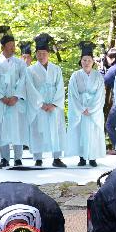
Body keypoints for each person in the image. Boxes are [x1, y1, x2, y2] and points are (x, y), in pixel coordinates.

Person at [0, 31, 33, 167]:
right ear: (3, 47)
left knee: (18, 129)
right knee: (2, 130)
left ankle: (18, 158)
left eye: (14, 45)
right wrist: (2, 97)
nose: (13, 48)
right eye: (10, 45)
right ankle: (4, 158)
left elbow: (24, 80)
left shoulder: (20, 63)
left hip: (15, 101)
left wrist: (16, 96)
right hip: (1, 102)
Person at [27, 33, 67, 168]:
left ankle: (57, 158)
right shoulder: (30, 70)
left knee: (56, 129)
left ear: (48, 54)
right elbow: (30, 89)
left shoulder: (56, 69)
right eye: (39, 53)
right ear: (36, 54)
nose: (41, 56)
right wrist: (41, 104)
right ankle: (38, 157)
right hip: (40, 105)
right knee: (38, 130)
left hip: (54, 104)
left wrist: (55, 103)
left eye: (44, 53)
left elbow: (60, 87)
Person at [66, 42, 106, 167]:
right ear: (81, 61)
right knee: (80, 132)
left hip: (93, 110)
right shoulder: (75, 75)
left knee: (93, 133)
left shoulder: (98, 76)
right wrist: (82, 108)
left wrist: (92, 109)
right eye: (84, 60)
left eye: (89, 60)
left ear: (93, 61)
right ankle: (82, 157)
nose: (86, 62)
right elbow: (72, 94)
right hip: (81, 109)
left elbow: (100, 94)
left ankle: (92, 157)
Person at [101, 47, 116, 153]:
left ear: (112, 58)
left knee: (109, 125)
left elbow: (103, 81)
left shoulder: (115, 68)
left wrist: (101, 70)